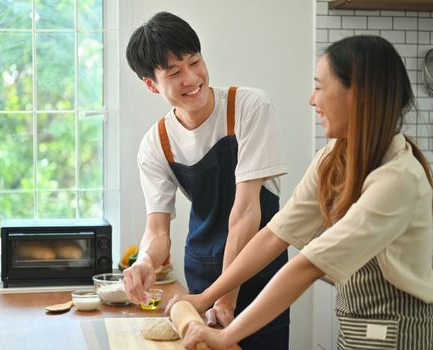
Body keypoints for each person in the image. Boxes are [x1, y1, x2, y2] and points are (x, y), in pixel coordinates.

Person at [167, 34, 433, 350]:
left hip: (400, 333)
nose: (312, 99)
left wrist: (228, 335)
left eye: (320, 86)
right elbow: (273, 235)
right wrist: (205, 297)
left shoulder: (398, 178)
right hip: (356, 326)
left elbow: (307, 265)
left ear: (357, 95)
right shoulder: (334, 158)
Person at [123, 11, 290, 349]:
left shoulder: (248, 107)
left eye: (194, 62)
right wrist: (144, 261)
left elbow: (245, 212)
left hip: (260, 276)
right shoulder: (156, 142)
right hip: (201, 274)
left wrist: (226, 299)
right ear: (152, 84)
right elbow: (157, 231)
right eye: (174, 72)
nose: (191, 78)